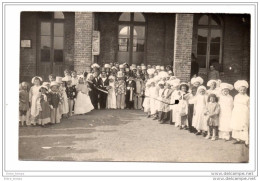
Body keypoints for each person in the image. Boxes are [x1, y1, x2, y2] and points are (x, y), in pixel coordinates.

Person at [230, 80, 250, 147]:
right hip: (237, 111)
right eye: (241, 90)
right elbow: (234, 104)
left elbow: (249, 106)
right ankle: (238, 139)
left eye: (244, 90)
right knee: (237, 124)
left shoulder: (247, 98)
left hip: (244, 112)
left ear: (246, 90)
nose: (242, 91)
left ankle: (246, 141)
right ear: (238, 90)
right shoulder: (236, 96)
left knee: (244, 125)